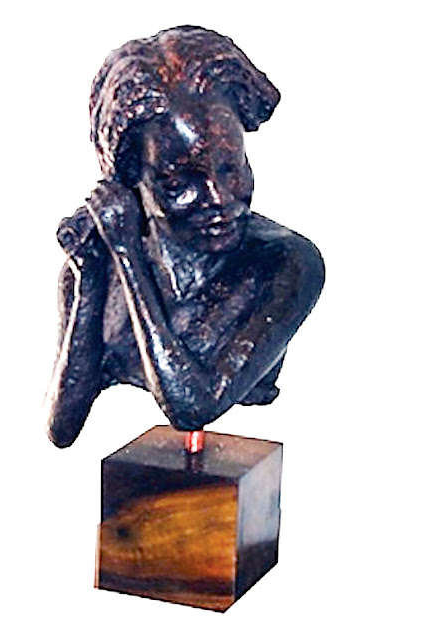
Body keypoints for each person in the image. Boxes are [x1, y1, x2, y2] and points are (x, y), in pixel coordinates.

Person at [44, 26, 325, 448]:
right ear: (133, 180)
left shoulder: (286, 263)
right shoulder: (99, 265)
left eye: (232, 168)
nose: (219, 198)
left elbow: (193, 406)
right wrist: (92, 277)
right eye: (180, 184)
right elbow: (62, 428)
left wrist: (127, 256)